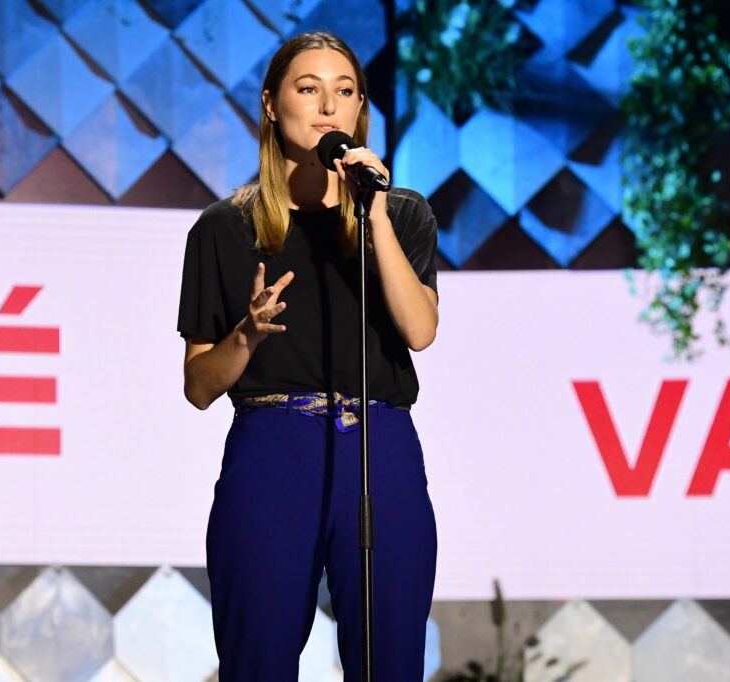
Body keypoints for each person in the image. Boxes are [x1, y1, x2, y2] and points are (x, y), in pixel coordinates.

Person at [177, 31, 439, 681]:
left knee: (390, 659)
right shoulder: (224, 227)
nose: (328, 106)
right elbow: (199, 385)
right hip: (272, 446)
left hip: (378, 447)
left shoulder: (402, 214)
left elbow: (420, 330)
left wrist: (372, 214)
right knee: (257, 658)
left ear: (360, 112)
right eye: (308, 89)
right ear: (271, 105)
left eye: (345, 91)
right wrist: (246, 336)